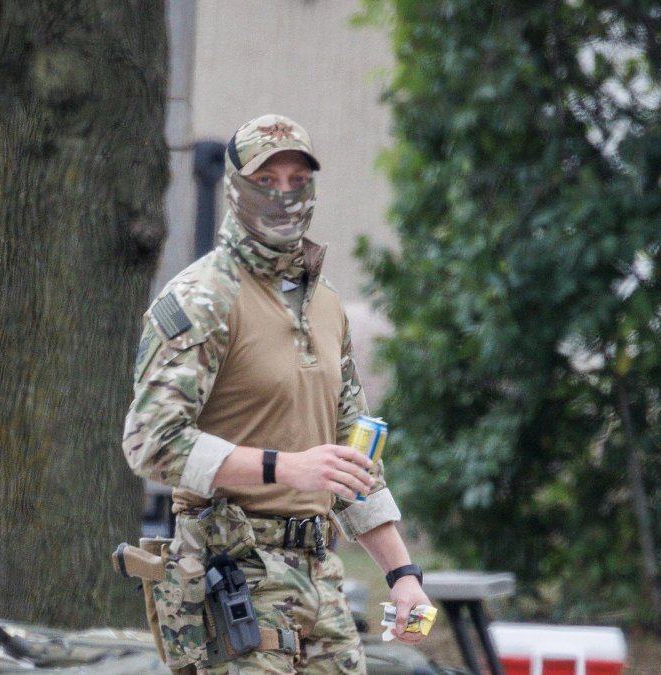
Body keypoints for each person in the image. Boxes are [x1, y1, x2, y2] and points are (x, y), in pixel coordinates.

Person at [122, 114, 432, 674]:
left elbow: (353, 459)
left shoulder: (326, 304)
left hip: (319, 577)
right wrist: (285, 468)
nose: (283, 195)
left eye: (297, 180)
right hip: (233, 577)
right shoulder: (201, 298)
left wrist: (403, 576)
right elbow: (151, 443)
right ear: (236, 186)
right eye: (266, 181)